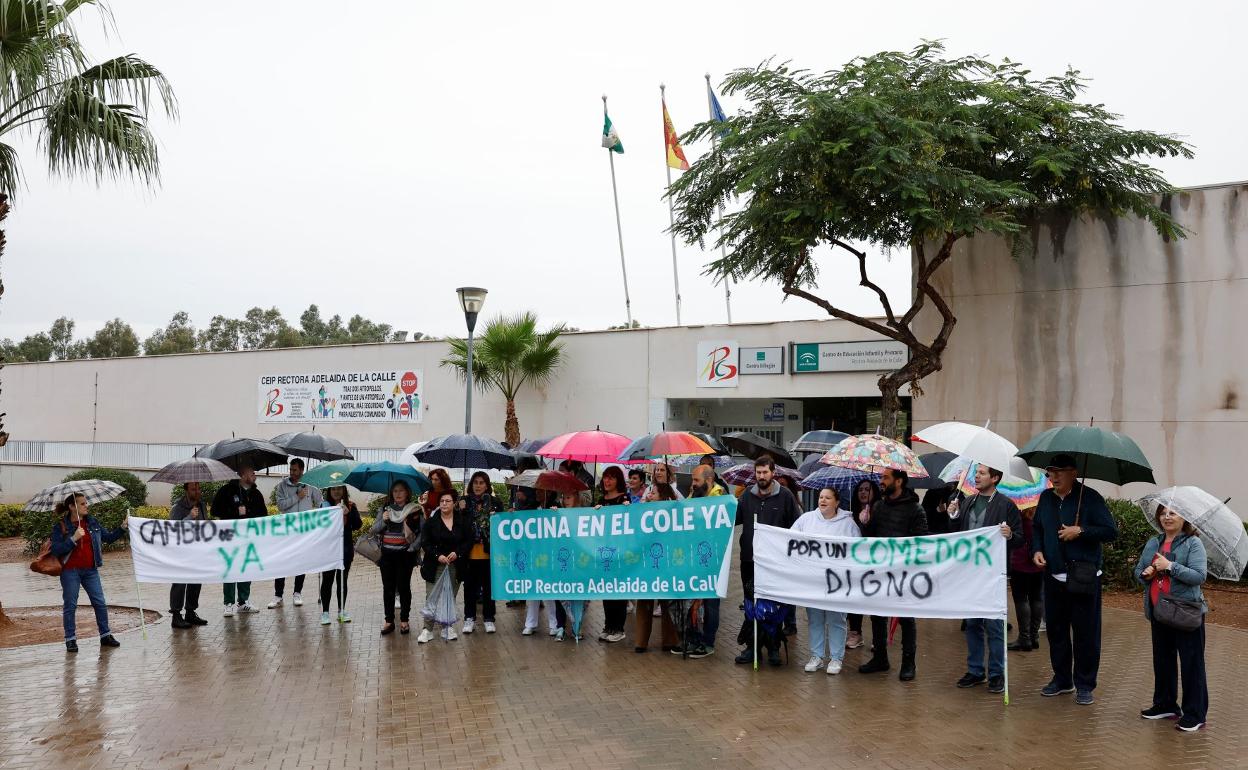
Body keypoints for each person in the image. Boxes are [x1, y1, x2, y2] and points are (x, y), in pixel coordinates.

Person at [1032, 454, 1118, 705]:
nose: (1054, 477)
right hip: (1054, 575)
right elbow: (1038, 527)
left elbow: (1110, 531)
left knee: (1086, 633)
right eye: (1050, 472)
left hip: (1084, 577)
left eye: (1059, 472)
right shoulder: (1046, 498)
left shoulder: (1090, 498)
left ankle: (1084, 684)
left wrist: (1080, 530)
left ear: (1073, 473)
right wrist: (1037, 550)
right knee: (1057, 631)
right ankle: (1062, 680)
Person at [948, 465, 1023, 694]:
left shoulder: (1006, 505)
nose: (976, 476)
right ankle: (975, 670)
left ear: (995, 478)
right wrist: (953, 514)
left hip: (992, 575)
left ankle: (997, 674)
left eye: (981, 473)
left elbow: (1019, 538)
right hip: (969, 573)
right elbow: (957, 534)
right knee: (972, 624)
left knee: (994, 626)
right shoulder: (968, 502)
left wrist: (1010, 535)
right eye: (976, 472)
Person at [1135, 504, 1209, 732]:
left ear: (1183, 517)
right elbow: (1138, 571)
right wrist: (1146, 573)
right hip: (1159, 611)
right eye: (1163, 513)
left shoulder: (1192, 543)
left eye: (1173, 513)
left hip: (1184, 612)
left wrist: (1171, 566)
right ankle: (1165, 704)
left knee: (1191, 664)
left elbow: (1199, 576)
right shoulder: (1153, 542)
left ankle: (1195, 714)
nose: (1166, 517)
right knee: (1163, 660)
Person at [858, 468, 927, 680]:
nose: (881, 481)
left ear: (899, 482)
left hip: (904, 574)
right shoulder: (878, 506)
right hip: (880, 571)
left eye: (885, 478)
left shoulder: (915, 510)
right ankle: (880, 658)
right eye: (880, 477)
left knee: (906, 617)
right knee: (877, 615)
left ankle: (908, 663)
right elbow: (870, 538)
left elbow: (921, 542)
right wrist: (865, 523)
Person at [734, 454, 801, 666]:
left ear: (773, 473)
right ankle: (752, 647)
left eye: (765, 472)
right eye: (758, 472)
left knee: (773, 606)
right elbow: (732, 519)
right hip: (749, 560)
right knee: (751, 605)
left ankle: (773, 646)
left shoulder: (786, 496)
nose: (761, 476)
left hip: (775, 563)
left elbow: (797, 527)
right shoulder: (746, 496)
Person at [49, 493, 128, 652]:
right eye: (83, 504)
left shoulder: (92, 522)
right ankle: (70, 639)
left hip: (91, 570)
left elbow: (108, 538)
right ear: (72, 507)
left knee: (100, 602)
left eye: (86, 503)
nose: (87, 506)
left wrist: (123, 527)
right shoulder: (61, 526)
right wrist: (73, 538)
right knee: (70, 605)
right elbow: (56, 550)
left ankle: (105, 635)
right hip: (70, 571)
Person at [793, 488, 860, 674]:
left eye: (828, 498)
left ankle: (836, 658)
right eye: (821, 497)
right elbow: (790, 539)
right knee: (815, 618)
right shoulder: (806, 519)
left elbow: (857, 550)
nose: (823, 500)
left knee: (836, 618)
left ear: (837, 502)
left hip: (838, 581)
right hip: (813, 580)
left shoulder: (848, 524)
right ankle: (816, 656)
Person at [676, 464, 727, 659]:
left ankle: (708, 642)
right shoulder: (694, 496)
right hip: (694, 558)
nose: (693, 484)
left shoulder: (719, 498)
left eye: (697, 480)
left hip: (713, 560)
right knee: (693, 599)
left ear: (709, 480)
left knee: (711, 602)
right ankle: (693, 639)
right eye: (692, 480)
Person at [417, 489, 473, 643]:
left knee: (450, 598)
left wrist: (458, 553)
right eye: (441, 501)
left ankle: (447, 627)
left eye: (447, 501)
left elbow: (468, 541)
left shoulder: (462, 521)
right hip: (434, 565)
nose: (444, 504)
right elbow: (425, 542)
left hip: (455, 565)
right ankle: (427, 629)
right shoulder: (432, 521)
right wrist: (437, 555)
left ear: (454, 503)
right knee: (431, 597)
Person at [212, 465, 268, 616]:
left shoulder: (256, 494)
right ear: (243, 475)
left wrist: (248, 512)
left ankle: (243, 602)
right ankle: (228, 603)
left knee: (245, 568)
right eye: (252, 471)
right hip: (230, 538)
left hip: (248, 539)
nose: (255, 474)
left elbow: (263, 515)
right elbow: (215, 510)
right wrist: (235, 511)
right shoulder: (226, 491)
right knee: (231, 568)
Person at [271, 458, 324, 608]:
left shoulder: (310, 485)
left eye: (295, 470)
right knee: (281, 561)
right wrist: (297, 497)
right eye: (290, 469)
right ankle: (278, 595)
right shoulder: (282, 486)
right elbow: (281, 506)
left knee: (301, 562)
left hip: (303, 531)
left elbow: (320, 502)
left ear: (302, 470)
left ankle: (297, 593)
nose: (292, 472)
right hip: (286, 530)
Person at [370, 480, 420, 635]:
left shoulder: (414, 510)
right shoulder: (385, 509)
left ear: (407, 493)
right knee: (388, 588)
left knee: (404, 588)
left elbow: (422, 532)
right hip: (387, 555)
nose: (397, 494)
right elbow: (374, 530)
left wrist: (412, 548)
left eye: (401, 491)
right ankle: (389, 621)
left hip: (405, 556)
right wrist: (384, 520)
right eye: (395, 491)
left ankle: (404, 620)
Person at [634, 483, 680, 653]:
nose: (649, 495)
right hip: (646, 563)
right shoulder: (641, 512)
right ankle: (640, 641)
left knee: (667, 601)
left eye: (653, 493)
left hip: (665, 563)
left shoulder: (673, 513)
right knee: (644, 601)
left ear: (663, 496)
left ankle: (670, 640)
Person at [460, 471, 504, 634]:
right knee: (469, 587)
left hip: (488, 552)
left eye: (481, 482)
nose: (478, 486)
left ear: (487, 485)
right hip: (469, 552)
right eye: (475, 482)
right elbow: (459, 526)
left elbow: (502, 524)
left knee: (488, 587)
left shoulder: (495, 502)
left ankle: (489, 618)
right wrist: (461, 509)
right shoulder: (464, 502)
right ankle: (469, 617)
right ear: (471, 485)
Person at [596, 466, 631, 643]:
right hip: (604, 553)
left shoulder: (624, 499)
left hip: (620, 554)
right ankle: (608, 626)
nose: (607, 481)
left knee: (618, 592)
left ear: (618, 480)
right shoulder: (601, 500)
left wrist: (628, 509)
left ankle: (618, 628)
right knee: (607, 590)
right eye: (605, 478)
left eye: (611, 478)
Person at [846, 479, 881, 651]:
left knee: (875, 600)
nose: (863, 492)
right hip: (856, 563)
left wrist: (868, 523)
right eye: (860, 489)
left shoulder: (880, 510)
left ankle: (877, 637)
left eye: (867, 489)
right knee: (855, 599)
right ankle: (855, 633)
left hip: (875, 562)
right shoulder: (850, 513)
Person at [319, 485, 362, 625]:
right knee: (327, 580)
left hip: (345, 550)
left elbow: (357, 525)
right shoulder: (325, 507)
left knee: (342, 581)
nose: (336, 491)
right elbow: (319, 526)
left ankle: (341, 610)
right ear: (329, 492)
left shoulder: (350, 505)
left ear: (344, 490)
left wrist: (348, 513)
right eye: (333, 489)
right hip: (328, 550)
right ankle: (325, 612)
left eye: (339, 489)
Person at [168, 482, 209, 629]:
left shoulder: (202, 505)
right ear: (186, 490)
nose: (197, 491)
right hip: (181, 551)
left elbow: (204, 523)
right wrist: (189, 517)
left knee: (196, 581)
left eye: (198, 488)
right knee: (180, 582)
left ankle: (190, 612)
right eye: (193, 489)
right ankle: (176, 615)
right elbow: (173, 528)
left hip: (197, 549)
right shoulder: (177, 507)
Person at [1008, 504, 1045, 652]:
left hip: (1020, 561)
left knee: (1021, 599)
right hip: (1038, 561)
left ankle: (1024, 638)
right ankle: (1033, 636)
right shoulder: (1040, 514)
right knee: (1036, 598)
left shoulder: (1018, 515)